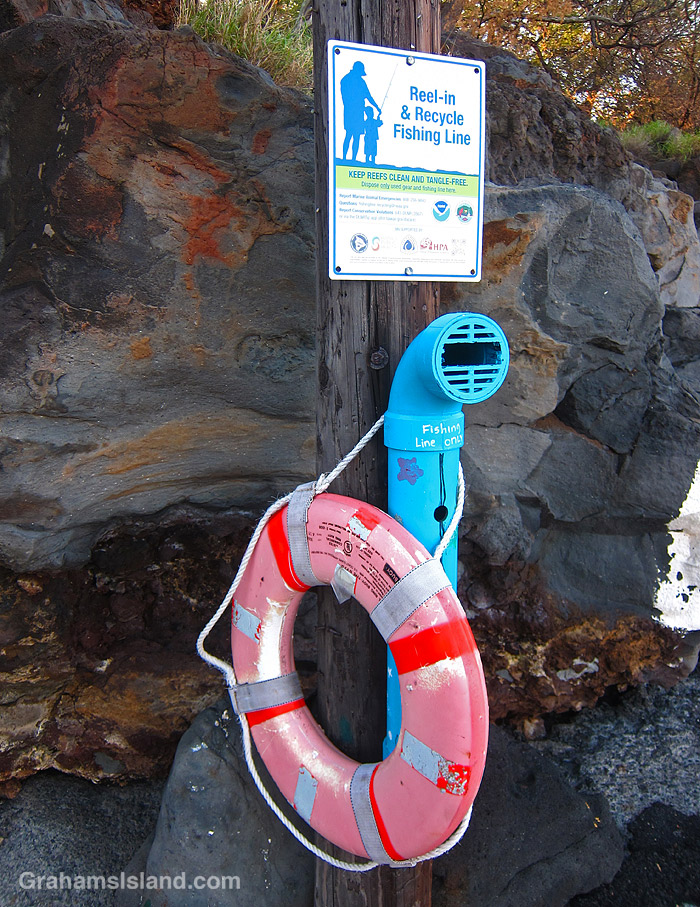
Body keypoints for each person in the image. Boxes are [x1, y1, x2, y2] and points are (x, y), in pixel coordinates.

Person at [340, 61, 381, 161]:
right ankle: (347, 158)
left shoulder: (346, 80)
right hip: (354, 112)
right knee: (351, 135)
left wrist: (376, 107)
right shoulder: (352, 81)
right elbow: (368, 96)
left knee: (352, 135)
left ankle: (350, 159)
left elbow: (368, 96)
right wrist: (376, 107)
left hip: (354, 112)